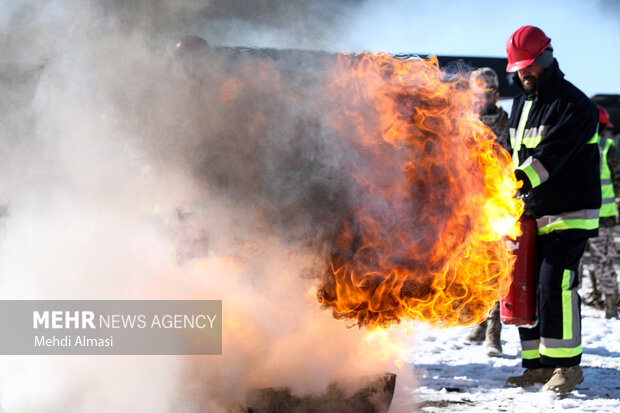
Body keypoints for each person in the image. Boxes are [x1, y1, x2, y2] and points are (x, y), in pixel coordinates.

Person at [503, 26, 600, 394]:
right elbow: (514, 153)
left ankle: (566, 367)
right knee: (523, 283)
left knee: (553, 284)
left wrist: (518, 181)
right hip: (530, 212)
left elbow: (551, 155)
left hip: (569, 211)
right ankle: (536, 366)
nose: (523, 74)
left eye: (528, 66)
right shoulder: (522, 103)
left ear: (546, 58)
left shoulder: (577, 105)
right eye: (519, 69)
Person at [463, 67, 510, 356]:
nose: (484, 99)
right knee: (472, 267)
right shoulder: (464, 123)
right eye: (479, 93)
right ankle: (478, 321)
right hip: (468, 205)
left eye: (489, 93)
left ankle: (494, 330)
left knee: (495, 266)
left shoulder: (508, 122)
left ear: (496, 93)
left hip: (497, 202)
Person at [583, 106, 620, 318]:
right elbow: (618, 178)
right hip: (603, 217)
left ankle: (572, 306)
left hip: (576, 215)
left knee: (573, 266)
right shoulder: (607, 147)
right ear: (604, 127)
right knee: (604, 261)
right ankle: (612, 308)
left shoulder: (575, 144)